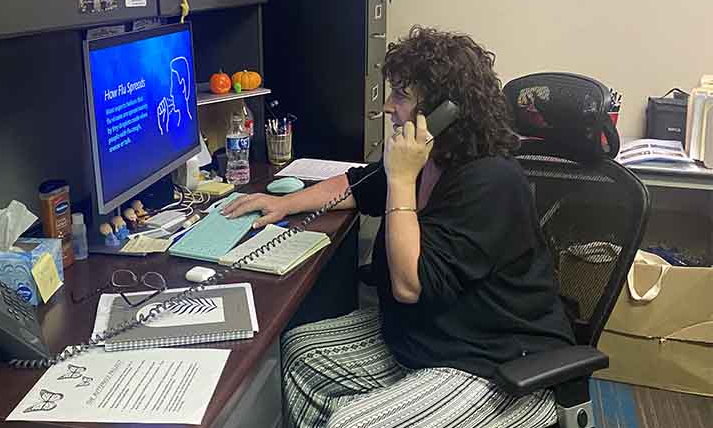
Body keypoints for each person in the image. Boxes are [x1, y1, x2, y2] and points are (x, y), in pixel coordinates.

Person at [222, 26, 576, 428]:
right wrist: (283, 202)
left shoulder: (491, 182)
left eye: (401, 97)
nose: (387, 107)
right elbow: (355, 184)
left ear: (445, 113)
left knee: (353, 424)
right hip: (432, 335)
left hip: (499, 363)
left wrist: (403, 180)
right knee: (302, 356)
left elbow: (410, 286)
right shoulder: (431, 158)